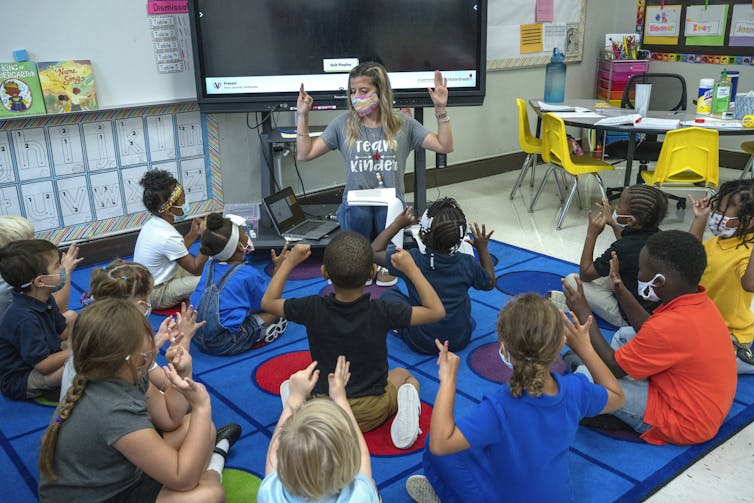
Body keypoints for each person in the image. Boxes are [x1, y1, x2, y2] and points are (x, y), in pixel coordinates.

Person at [405, 294, 624, 503]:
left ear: (504, 348)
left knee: (437, 451)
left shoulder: (499, 407)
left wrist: (448, 380)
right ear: (560, 345)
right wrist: (585, 349)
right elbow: (617, 397)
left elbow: (440, 444)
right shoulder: (575, 389)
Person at [38, 298, 241, 502]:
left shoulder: (120, 373)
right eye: (145, 356)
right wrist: (201, 407)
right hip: (103, 496)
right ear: (127, 360)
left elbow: (171, 417)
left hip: (117, 473)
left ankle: (205, 464)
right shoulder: (112, 409)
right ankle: (217, 461)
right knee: (210, 495)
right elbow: (183, 479)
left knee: (201, 429)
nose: (152, 357)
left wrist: (182, 372)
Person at [261, 232, 445, 449]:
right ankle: (407, 418)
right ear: (373, 272)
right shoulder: (382, 310)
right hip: (371, 410)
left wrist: (289, 262)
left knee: (295, 380)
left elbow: (268, 302)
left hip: (325, 409)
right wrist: (412, 270)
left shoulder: (311, 307)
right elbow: (436, 311)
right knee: (405, 377)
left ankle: (298, 408)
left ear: (323, 272)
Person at [563, 230, 737, 445]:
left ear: (660, 280)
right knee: (626, 335)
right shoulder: (698, 301)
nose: (638, 274)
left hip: (683, 422)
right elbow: (651, 330)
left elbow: (613, 366)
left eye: (641, 269)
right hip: (700, 402)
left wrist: (584, 312)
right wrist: (620, 291)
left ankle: (613, 412)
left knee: (586, 378)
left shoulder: (670, 326)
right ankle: (612, 398)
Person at [296, 61, 454, 286]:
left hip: (390, 206)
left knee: (387, 214)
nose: (356, 97)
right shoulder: (343, 124)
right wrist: (302, 116)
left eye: (363, 91)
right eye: (352, 92)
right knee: (359, 212)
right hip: (356, 206)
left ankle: (380, 260)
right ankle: (360, 261)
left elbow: (445, 146)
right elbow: (305, 153)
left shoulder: (403, 124)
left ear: (381, 91)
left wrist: (440, 110)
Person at [60, 259, 204, 400]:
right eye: (150, 296)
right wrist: (184, 341)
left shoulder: (89, 327)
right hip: (116, 414)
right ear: (141, 305)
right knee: (196, 409)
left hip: (75, 411)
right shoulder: (130, 347)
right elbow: (176, 397)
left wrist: (157, 341)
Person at [373, 199, 495, 354]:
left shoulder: (411, 260)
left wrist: (397, 225)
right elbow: (489, 283)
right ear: (461, 236)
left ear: (423, 235)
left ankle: (401, 329)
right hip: (459, 339)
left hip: (420, 340)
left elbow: (373, 253)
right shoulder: (467, 263)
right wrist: (483, 249)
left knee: (389, 296)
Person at [258, 356, 379, 502]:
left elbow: (272, 457)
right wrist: (340, 398)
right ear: (350, 460)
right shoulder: (359, 495)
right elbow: (363, 458)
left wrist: (295, 397)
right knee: (369, 484)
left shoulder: (270, 493)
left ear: (284, 464)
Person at [558, 185, 667, 328]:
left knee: (572, 280)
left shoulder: (623, 248)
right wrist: (613, 223)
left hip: (628, 316)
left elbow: (585, 273)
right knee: (606, 270)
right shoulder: (657, 235)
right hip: (649, 304)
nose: (616, 207)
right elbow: (626, 242)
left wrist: (592, 234)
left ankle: (584, 305)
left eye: (620, 205)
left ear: (630, 221)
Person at [190, 213, 288, 355]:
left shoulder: (209, 265)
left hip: (196, 335)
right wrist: (280, 269)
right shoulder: (247, 274)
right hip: (225, 343)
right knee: (278, 310)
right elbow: (271, 301)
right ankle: (259, 333)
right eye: (244, 233)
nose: (247, 236)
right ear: (239, 246)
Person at [689, 180, 754, 373]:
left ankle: (742, 359)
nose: (717, 214)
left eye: (725, 210)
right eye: (718, 208)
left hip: (730, 332)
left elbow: (750, 284)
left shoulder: (747, 251)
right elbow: (689, 258)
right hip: (703, 322)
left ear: (750, 220)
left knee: (697, 366)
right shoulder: (718, 241)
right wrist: (700, 219)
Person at [0, 240, 75, 401]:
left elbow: (63, 332)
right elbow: (43, 365)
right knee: (80, 364)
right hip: (22, 377)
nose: (63, 269)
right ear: (40, 281)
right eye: (57, 266)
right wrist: (76, 351)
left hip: (45, 353)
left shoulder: (44, 298)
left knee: (78, 325)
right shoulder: (24, 319)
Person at [134, 169, 208, 309]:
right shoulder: (167, 236)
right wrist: (207, 240)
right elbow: (196, 269)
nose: (185, 204)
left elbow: (177, 252)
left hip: (151, 282)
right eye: (183, 201)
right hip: (155, 294)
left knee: (210, 266)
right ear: (168, 209)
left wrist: (192, 234)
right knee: (209, 280)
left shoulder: (154, 224)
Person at [0, 215, 82, 321]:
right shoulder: (13, 279)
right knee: (70, 317)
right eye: (32, 242)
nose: (37, 244)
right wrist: (64, 271)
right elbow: (58, 311)